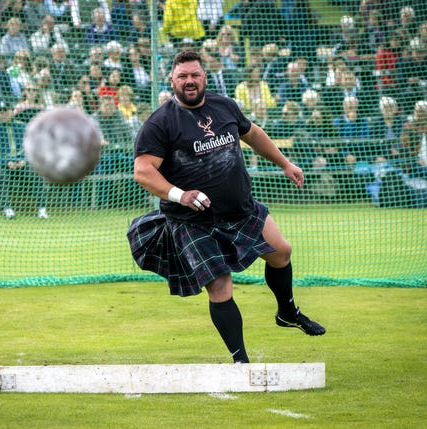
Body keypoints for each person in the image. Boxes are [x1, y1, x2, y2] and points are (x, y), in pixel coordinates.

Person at [127, 50, 325, 364]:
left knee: (281, 252)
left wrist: (285, 163)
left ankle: (287, 312)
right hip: (193, 220)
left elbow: (253, 134)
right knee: (220, 286)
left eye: (195, 75)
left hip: (240, 209)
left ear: (205, 77)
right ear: (172, 81)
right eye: (183, 77)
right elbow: (143, 171)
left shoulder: (224, 105)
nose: (189, 81)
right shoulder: (161, 122)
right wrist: (181, 195)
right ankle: (240, 361)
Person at [0, 101, 49, 219]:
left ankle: (42, 209)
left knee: (37, 174)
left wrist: (24, 160)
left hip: (23, 164)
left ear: (12, 112)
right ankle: (7, 209)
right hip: (5, 166)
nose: (4, 114)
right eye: (1, 112)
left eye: (6, 111)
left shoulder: (24, 127)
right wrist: (6, 163)